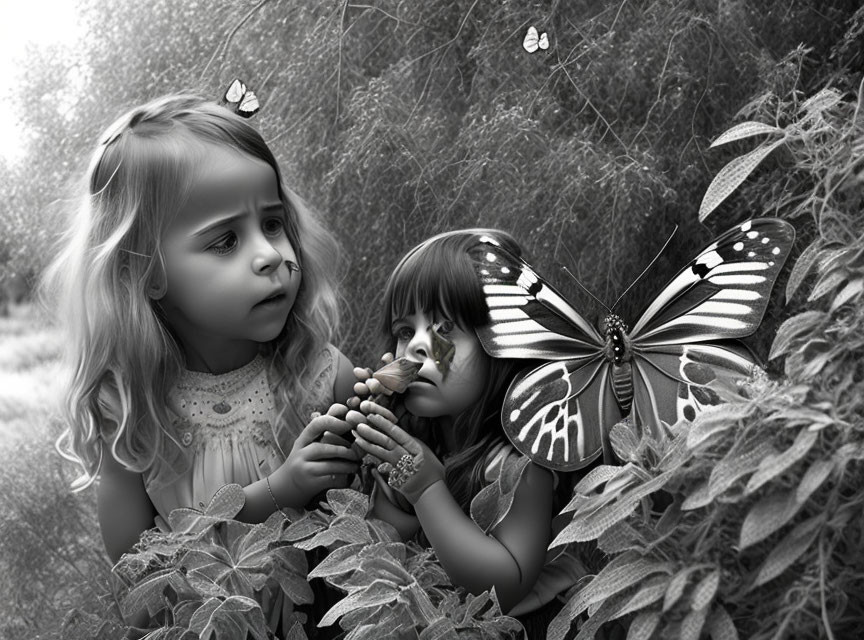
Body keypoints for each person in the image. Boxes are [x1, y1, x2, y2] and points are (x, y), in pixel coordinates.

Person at [43, 94, 360, 564]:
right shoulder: (132, 412)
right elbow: (138, 567)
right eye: (226, 240)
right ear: (147, 273)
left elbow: (370, 527)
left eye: (273, 224)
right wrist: (278, 492)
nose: (271, 254)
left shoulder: (320, 377)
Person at [351, 230, 587, 629]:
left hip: (533, 624)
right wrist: (379, 456)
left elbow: (504, 587)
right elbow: (395, 546)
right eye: (405, 330)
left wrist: (425, 488)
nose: (417, 347)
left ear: (502, 346)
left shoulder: (518, 464)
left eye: (445, 329)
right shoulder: (427, 441)